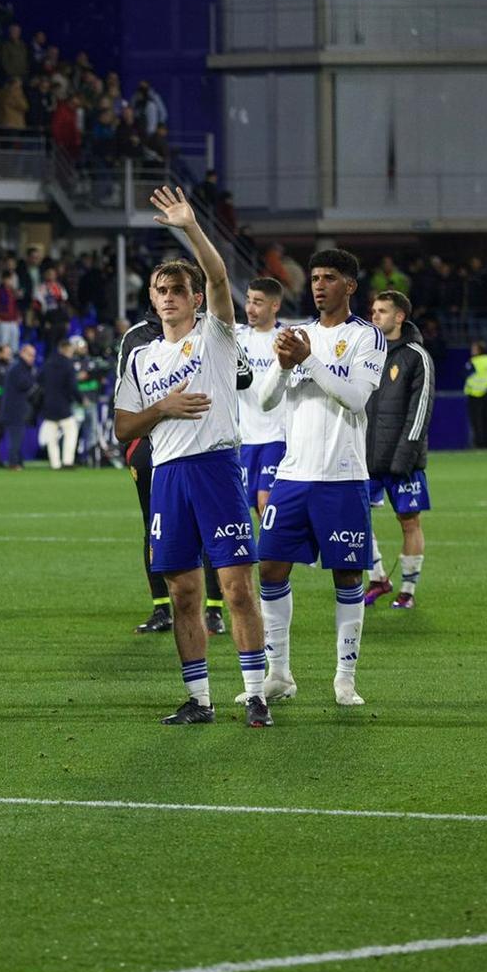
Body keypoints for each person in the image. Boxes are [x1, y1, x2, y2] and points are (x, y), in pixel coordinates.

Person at [111, 188, 271, 727]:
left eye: (179, 289)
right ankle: (199, 700)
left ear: (195, 298)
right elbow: (122, 426)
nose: (169, 296)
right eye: (162, 290)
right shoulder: (141, 356)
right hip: (168, 476)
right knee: (182, 591)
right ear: (152, 299)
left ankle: (255, 694)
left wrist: (191, 228)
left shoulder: (216, 338)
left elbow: (222, 277)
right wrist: (162, 407)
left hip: (216, 468)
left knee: (236, 588)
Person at [254, 249, 387, 708]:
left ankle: (345, 678)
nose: (318, 284)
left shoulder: (366, 337)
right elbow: (267, 400)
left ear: (349, 285)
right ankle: (279, 674)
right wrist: (287, 363)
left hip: (343, 477)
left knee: (349, 576)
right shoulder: (298, 334)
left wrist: (309, 361)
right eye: (314, 277)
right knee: (269, 567)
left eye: (329, 277)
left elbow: (354, 399)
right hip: (293, 476)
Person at [361, 291, 434, 611]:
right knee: (356, 519)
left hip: (403, 461)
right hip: (366, 458)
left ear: (399, 317)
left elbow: (420, 412)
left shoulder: (417, 356)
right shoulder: (366, 352)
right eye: (373, 310)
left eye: (382, 311)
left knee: (409, 522)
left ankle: (407, 589)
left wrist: (403, 458)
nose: (375, 316)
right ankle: (378, 578)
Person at [235, 277, 288, 517]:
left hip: (277, 434)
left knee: (266, 501)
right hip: (246, 437)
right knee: (257, 507)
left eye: (258, 302)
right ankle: (274, 554)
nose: (249, 308)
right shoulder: (238, 338)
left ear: (274, 306)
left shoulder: (286, 339)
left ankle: (277, 554)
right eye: (248, 300)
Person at [37, 336, 81, 469]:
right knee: (71, 431)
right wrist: (80, 399)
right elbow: (72, 386)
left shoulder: (48, 363)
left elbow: (39, 380)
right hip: (63, 405)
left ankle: (55, 463)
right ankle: (67, 461)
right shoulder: (68, 365)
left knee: (51, 437)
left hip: (49, 404)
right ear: (66, 349)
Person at [0, 342, 35, 469]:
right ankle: (14, 463)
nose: (32, 358)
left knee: (18, 438)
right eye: (30, 355)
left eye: (33, 356)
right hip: (14, 409)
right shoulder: (19, 368)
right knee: (15, 438)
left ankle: (18, 462)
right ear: (22, 354)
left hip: (17, 409)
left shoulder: (20, 367)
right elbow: (24, 384)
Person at [465, 340, 487, 448]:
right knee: (486, 419)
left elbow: (467, 374)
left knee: (476, 420)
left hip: (474, 393)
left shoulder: (473, 361)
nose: (472, 350)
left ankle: (479, 444)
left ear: (479, 350)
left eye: (474, 348)